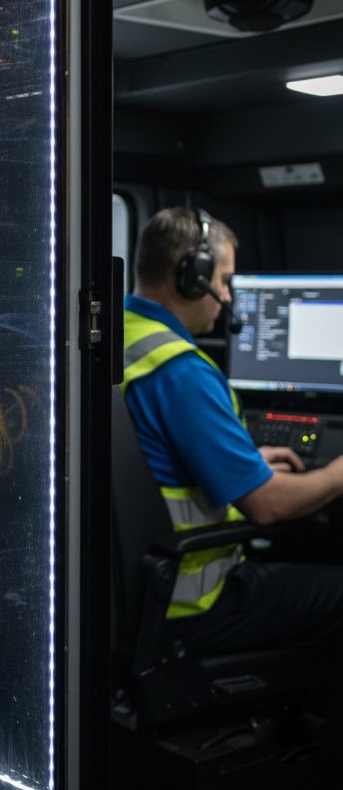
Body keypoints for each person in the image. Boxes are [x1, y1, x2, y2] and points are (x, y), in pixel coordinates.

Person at [121, 205, 343, 653]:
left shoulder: (119, 335)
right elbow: (266, 506)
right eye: (223, 281)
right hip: (189, 603)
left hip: (120, 596)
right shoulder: (181, 370)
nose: (227, 296)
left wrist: (246, 463)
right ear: (193, 277)